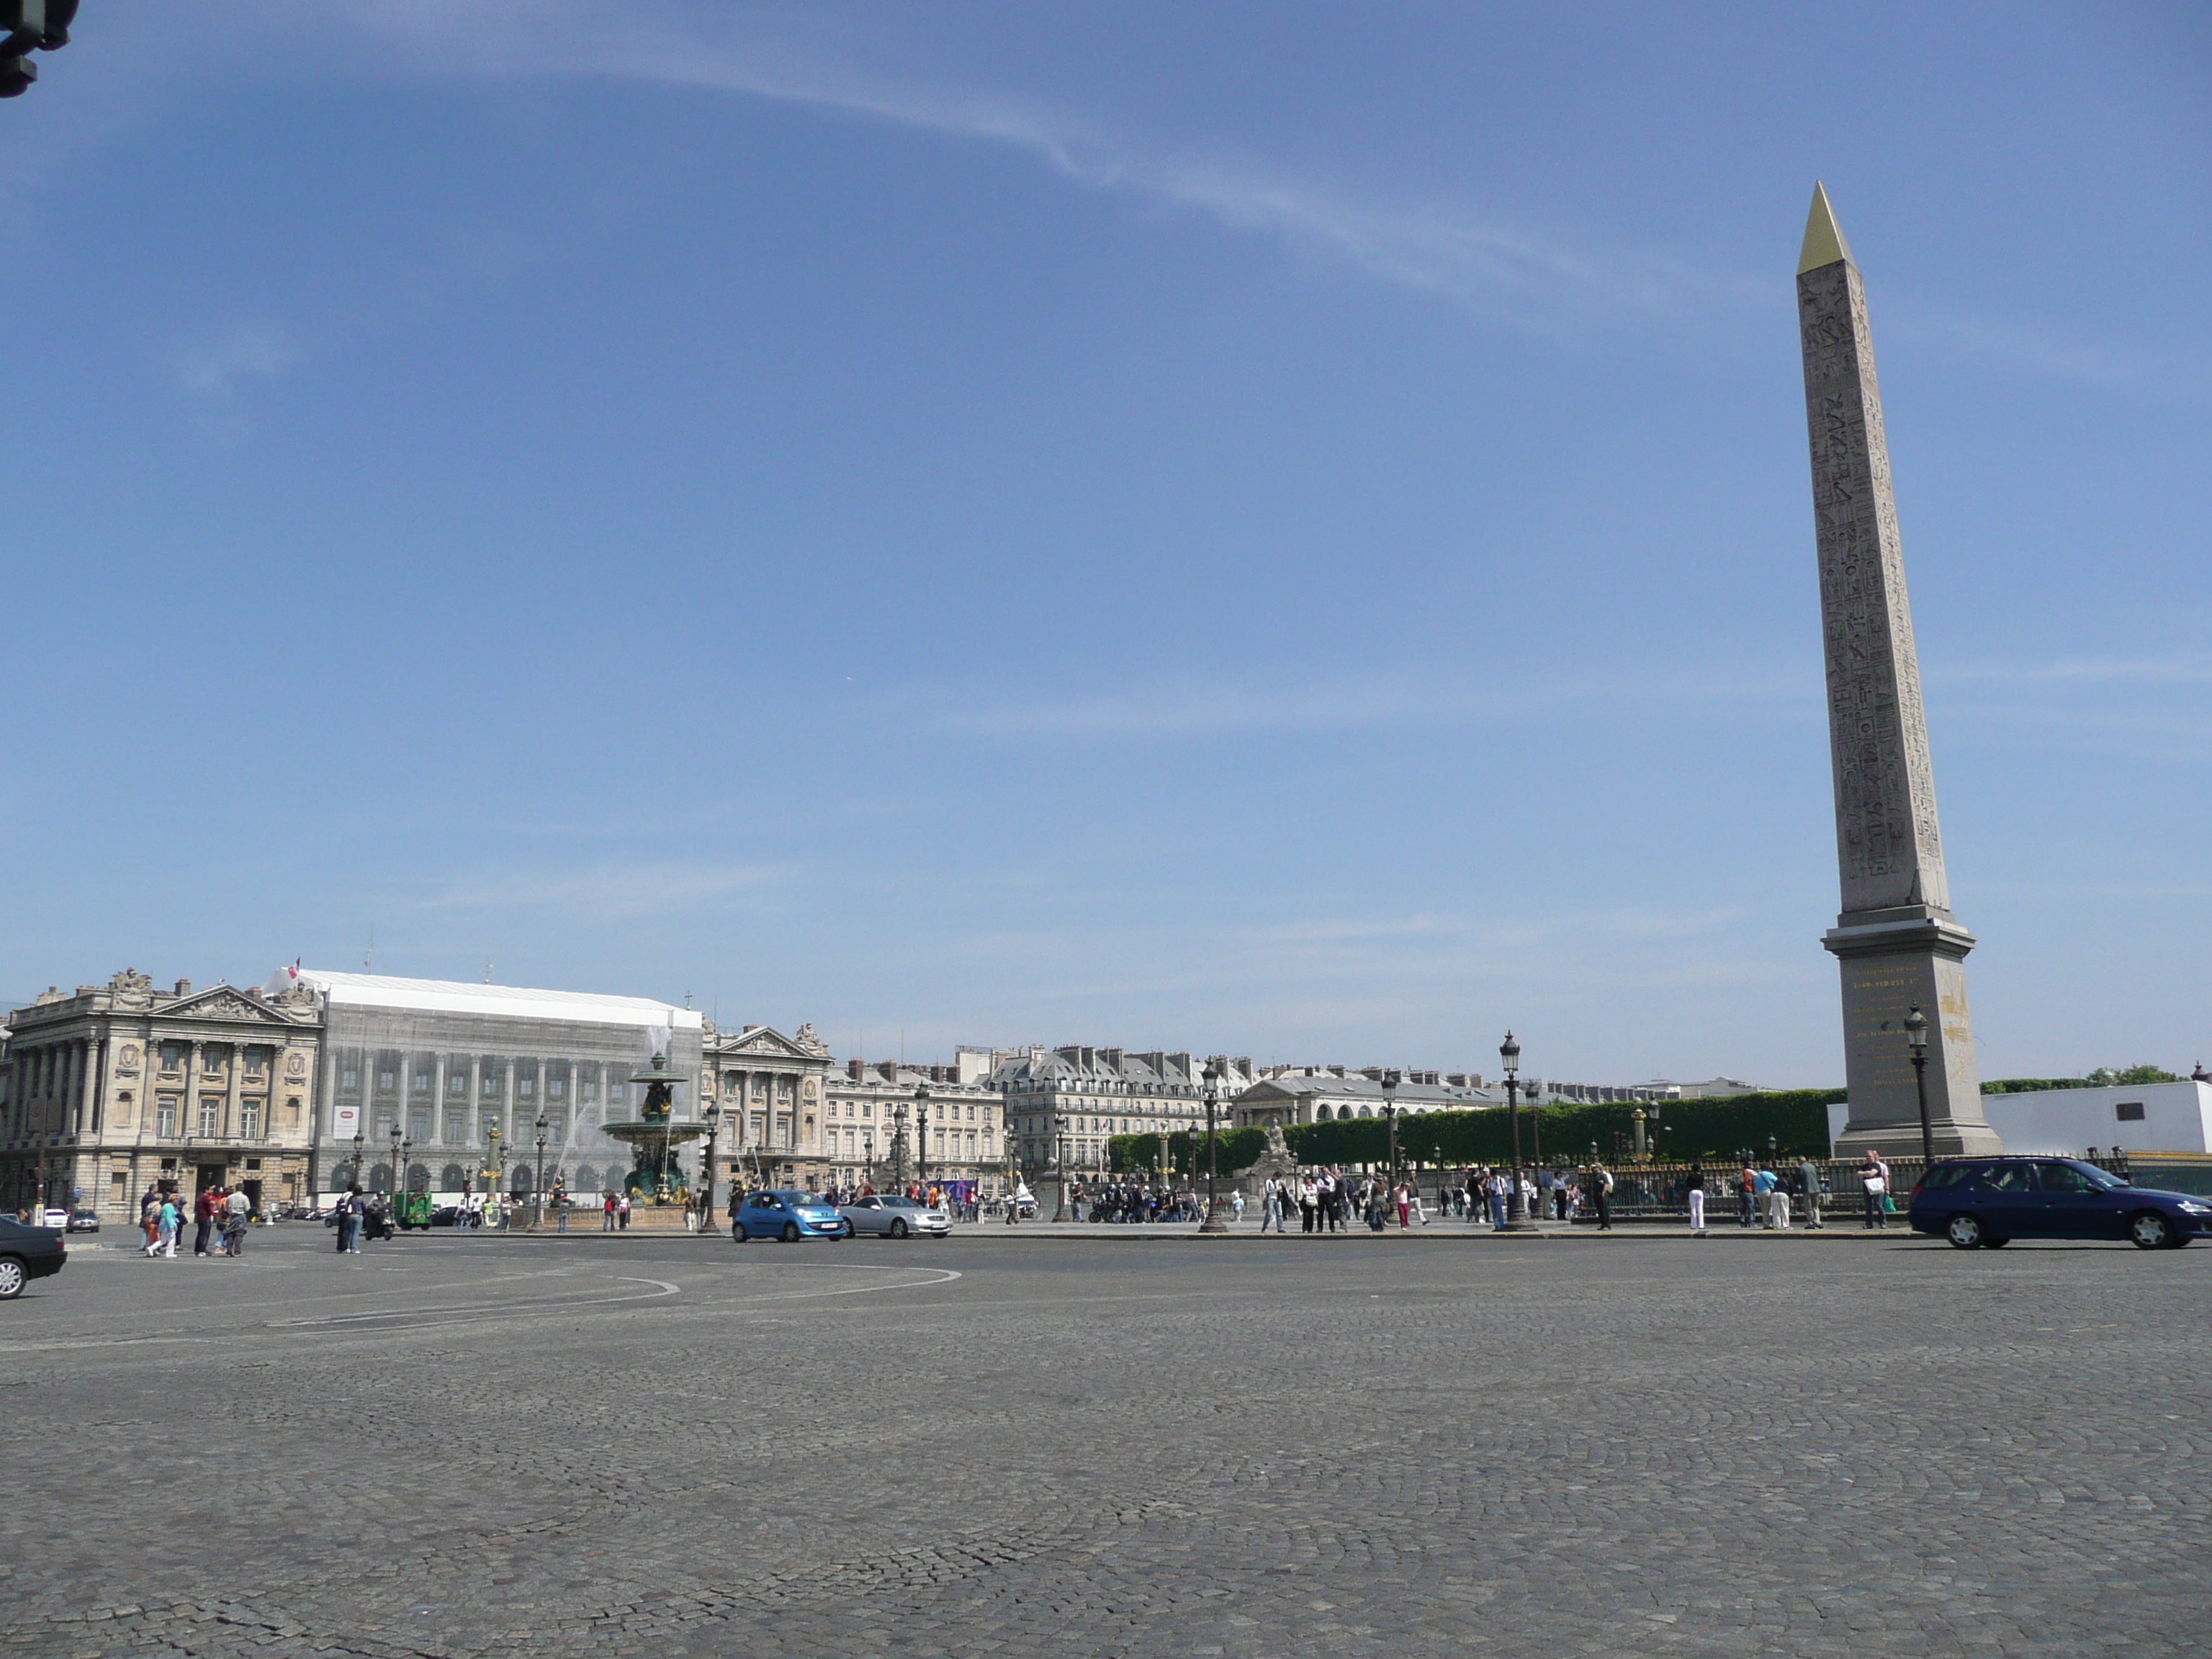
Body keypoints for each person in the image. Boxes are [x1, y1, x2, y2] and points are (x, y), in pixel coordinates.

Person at [1858, 1151, 1889, 1229]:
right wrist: (1867, 1173)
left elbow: (1872, 1174)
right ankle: (1869, 1224)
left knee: (1879, 1205)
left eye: (1870, 1156)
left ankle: (1882, 1223)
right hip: (1867, 1188)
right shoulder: (1864, 1166)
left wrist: (1865, 1173)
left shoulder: (1877, 1165)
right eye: (1867, 1157)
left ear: (1874, 1157)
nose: (1868, 1158)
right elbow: (1859, 1173)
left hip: (1877, 1187)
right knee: (1868, 1206)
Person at [1797, 1155, 1826, 1230]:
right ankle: (1818, 1221)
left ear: (1800, 1161)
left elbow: (1799, 1178)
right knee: (1816, 1207)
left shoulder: (1801, 1168)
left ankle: (1811, 1223)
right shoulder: (1812, 1167)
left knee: (1808, 1207)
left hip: (1807, 1189)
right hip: (1816, 1189)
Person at [222, 1185, 251, 1255]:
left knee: (230, 1233)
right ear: (242, 1189)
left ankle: (229, 1251)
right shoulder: (244, 1198)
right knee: (239, 1234)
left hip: (232, 1216)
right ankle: (237, 1251)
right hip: (241, 1215)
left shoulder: (230, 1197)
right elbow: (247, 1208)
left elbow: (226, 1207)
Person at [193, 1186, 218, 1257]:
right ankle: (202, 1250)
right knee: (204, 1234)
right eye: (211, 1190)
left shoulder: (201, 1196)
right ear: (206, 1190)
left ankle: (198, 1249)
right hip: (205, 1217)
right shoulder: (205, 1197)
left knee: (200, 1233)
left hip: (201, 1217)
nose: (212, 1191)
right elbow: (211, 1202)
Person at [1686, 1163, 1707, 1236]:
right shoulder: (1701, 1176)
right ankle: (1701, 1225)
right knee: (1700, 1209)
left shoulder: (1690, 1176)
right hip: (1700, 1191)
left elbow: (1687, 1184)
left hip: (1692, 1191)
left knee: (1693, 1209)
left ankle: (1694, 1225)